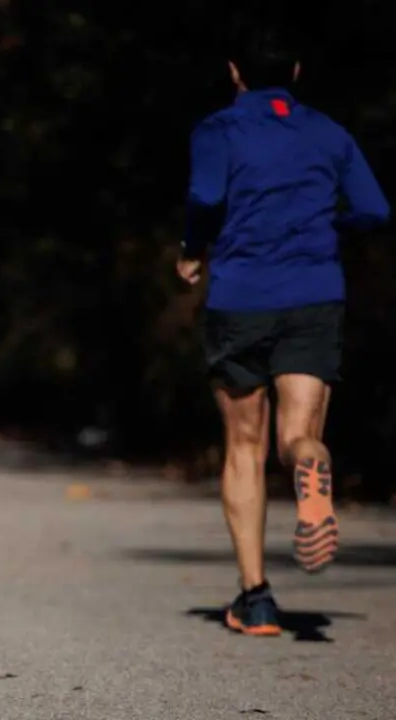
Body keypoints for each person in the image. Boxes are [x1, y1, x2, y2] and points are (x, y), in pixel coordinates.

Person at [180, 27, 390, 636]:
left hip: (241, 296)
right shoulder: (329, 133)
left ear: (233, 71)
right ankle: (311, 471)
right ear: (296, 72)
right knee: (299, 435)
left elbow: (205, 194)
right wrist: (323, 228)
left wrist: (193, 249)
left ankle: (257, 597)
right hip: (313, 294)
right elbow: (375, 209)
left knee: (245, 446)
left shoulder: (219, 129)